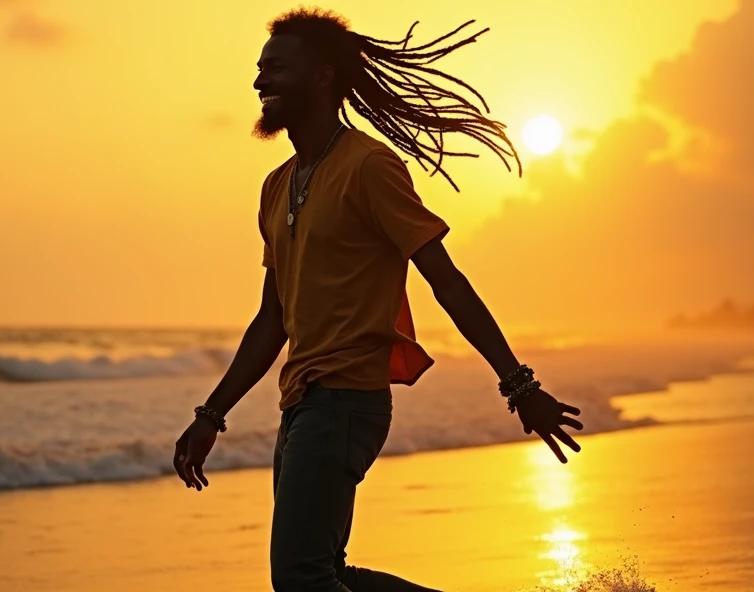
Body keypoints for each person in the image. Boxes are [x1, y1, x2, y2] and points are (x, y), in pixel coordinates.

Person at [173, 8, 584, 591]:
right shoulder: (277, 186)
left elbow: (447, 280)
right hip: (301, 405)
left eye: (278, 68)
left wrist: (520, 386)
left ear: (321, 77)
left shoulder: (369, 167)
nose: (261, 82)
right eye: (260, 68)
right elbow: (273, 318)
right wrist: (211, 415)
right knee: (325, 571)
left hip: (345, 402)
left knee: (300, 577)